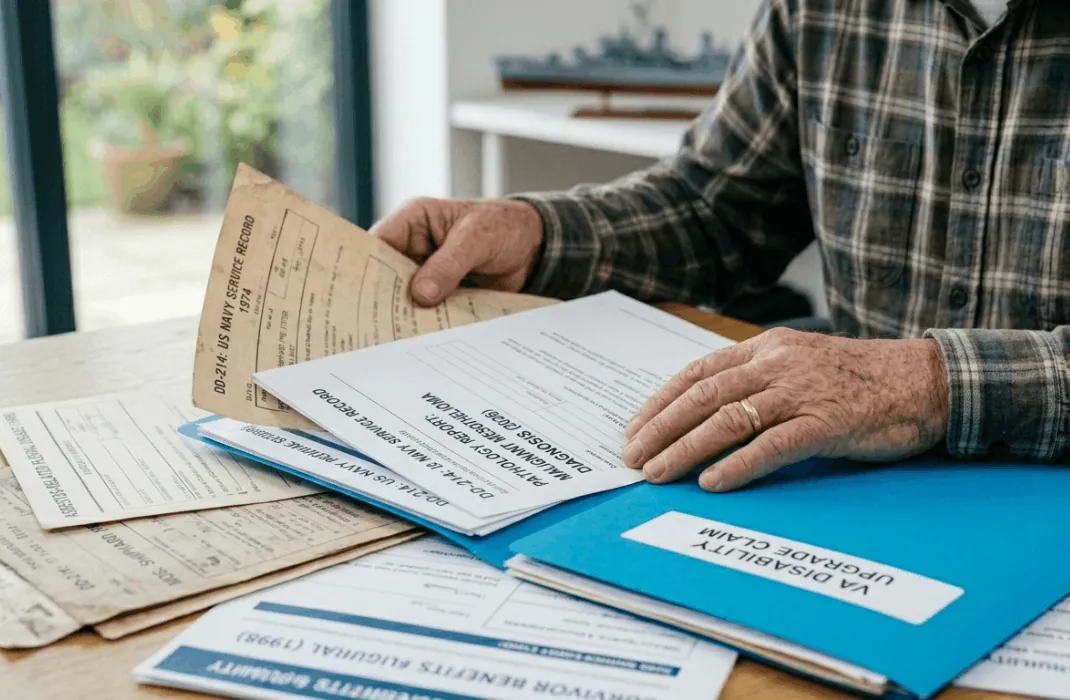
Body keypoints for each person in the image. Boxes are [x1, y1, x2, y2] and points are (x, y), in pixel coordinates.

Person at [371, 0, 1069, 493]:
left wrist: (930, 384)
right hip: (849, 491)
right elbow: (718, 208)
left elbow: (908, 385)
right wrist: (540, 235)